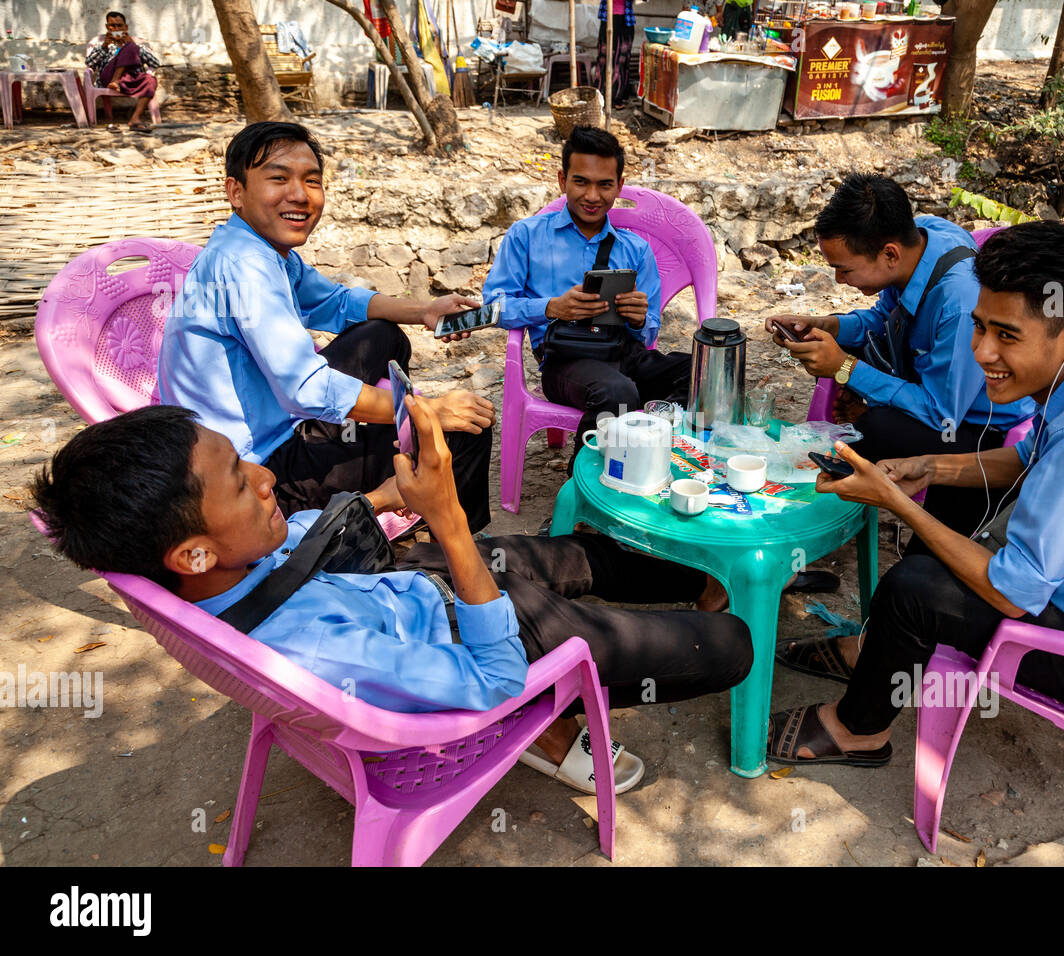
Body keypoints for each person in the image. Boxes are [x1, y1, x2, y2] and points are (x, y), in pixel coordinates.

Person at [31, 401, 752, 794]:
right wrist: (446, 519)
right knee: (731, 650)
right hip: (469, 633)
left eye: (239, 454)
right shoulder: (313, 649)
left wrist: (388, 499)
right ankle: (553, 720)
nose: (262, 474)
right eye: (236, 480)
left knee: (589, 557)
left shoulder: (210, 568)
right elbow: (493, 678)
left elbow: (306, 539)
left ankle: (701, 581)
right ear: (191, 551)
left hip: (410, 580)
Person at [768, 221, 1064, 766]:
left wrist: (895, 502)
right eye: (979, 328)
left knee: (914, 587)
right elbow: (1024, 456)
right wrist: (930, 466)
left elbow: (1013, 593)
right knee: (956, 512)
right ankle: (873, 652)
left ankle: (858, 732)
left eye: (1007, 336)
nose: (983, 352)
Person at [157, 121, 496, 530]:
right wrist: (427, 411)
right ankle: (442, 549)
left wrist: (425, 311)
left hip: (277, 433)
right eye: (278, 178)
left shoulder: (258, 249)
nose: (299, 195)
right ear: (236, 192)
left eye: (311, 180)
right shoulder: (244, 265)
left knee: (381, 335)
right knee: (462, 432)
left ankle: (406, 493)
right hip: (258, 475)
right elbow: (307, 389)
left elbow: (335, 301)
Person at [764, 173, 1034, 540]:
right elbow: (884, 318)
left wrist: (845, 368)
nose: (840, 281)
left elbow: (943, 414)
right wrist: (827, 325)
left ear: (889, 253)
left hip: (974, 425)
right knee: (831, 348)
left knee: (878, 427)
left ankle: (832, 515)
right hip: (925, 379)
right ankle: (852, 464)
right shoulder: (922, 236)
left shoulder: (959, 303)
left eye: (845, 269)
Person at [482, 125, 690, 468]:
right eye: (581, 182)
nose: (592, 195)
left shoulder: (635, 249)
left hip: (624, 353)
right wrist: (551, 307)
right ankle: (581, 499)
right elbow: (492, 307)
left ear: (619, 186)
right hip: (565, 361)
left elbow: (649, 330)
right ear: (562, 180)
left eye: (605, 184)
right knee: (618, 392)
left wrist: (640, 319)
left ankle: (654, 451)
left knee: (703, 370)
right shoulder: (527, 236)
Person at [85, 10, 160, 131]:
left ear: (125, 27)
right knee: (130, 47)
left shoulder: (135, 45)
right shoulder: (103, 45)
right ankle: (115, 79)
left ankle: (135, 118)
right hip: (108, 80)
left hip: (130, 79)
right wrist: (104, 47)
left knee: (151, 80)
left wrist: (132, 45)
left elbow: (155, 63)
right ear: (107, 27)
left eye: (119, 26)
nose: (116, 29)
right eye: (112, 26)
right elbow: (89, 64)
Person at [596, 0, 637, 107]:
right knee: (604, 59)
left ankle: (617, 97)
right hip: (608, 20)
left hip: (625, 21)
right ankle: (600, 96)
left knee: (621, 61)